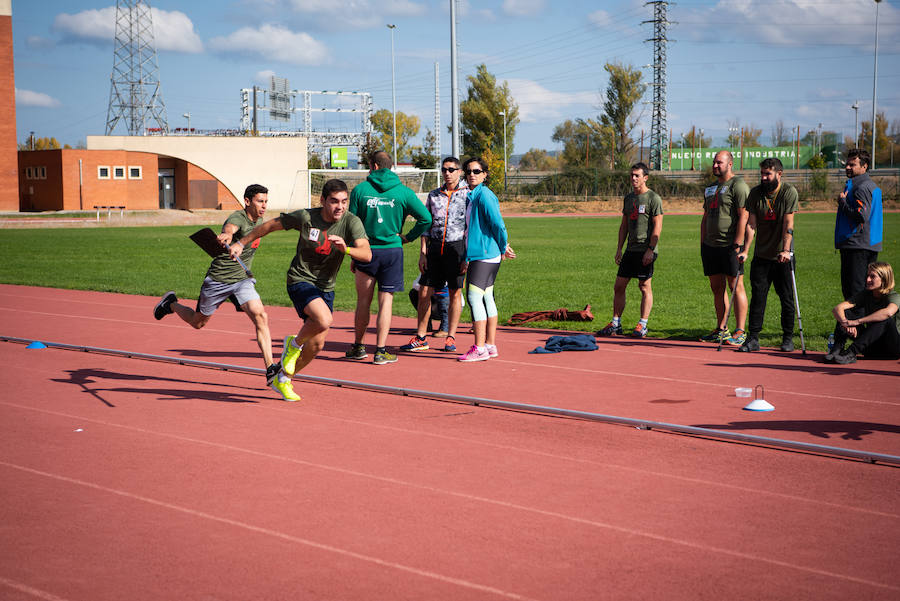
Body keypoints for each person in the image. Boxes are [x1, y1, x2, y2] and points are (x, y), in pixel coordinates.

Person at [230, 179, 371, 400]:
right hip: (300, 279)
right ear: (323, 200)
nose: (340, 207)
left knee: (317, 344)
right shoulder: (306, 217)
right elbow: (270, 225)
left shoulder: (351, 221)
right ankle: (293, 345)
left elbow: (367, 253)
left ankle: (283, 378)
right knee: (324, 320)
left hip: (326, 287)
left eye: (344, 202)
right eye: (334, 201)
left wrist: (347, 249)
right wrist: (241, 243)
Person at [153, 184, 278, 386]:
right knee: (198, 322)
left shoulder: (260, 221)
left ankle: (270, 368)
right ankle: (171, 304)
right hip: (218, 280)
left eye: (266, 202)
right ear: (247, 201)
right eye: (259, 201)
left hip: (241, 280)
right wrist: (227, 235)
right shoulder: (238, 218)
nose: (264, 206)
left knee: (260, 315)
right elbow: (230, 228)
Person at [345, 151, 432, 365]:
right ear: (390, 166)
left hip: (366, 250)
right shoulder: (403, 192)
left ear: (373, 166)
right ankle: (381, 350)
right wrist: (407, 238)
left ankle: (358, 346)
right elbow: (426, 219)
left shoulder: (360, 190)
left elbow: (351, 223)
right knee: (386, 303)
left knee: (363, 301)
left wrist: (353, 252)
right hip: (392, 251)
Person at [400, 156, 468, 354]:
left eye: (452, 169)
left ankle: (450, 336)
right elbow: (426, 225)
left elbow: (471, 226)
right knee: (424, 292)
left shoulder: (468, 195)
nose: (447, 173)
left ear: (459, 172)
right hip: (435, 249)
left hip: (457, 248)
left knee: (455, 292)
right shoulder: (434, 195)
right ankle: (421, 337)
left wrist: (467, 256)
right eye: (444, 169)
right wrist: (423, 253)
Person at [737, 158, 799, 353]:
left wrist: (786, 250)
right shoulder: (755, 193)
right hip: (762, 256)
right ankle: (753, 337)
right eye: (762, 174)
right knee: (758, 297)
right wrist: (745, 250)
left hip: (783, 256)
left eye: (768, 174)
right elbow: (751, 224)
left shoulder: (789, 192)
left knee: (787, 297)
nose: (763, 178)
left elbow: (789, 224)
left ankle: (787, 337)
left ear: (779, 174)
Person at [458, 157, 516, 362]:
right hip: (485, 254)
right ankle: (490, 345)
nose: (471, 175)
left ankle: (479, 347)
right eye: (468, 171)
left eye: (476, 171)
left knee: (474, 298)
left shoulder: (484, 196)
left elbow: (498, 224)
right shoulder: (474, 196)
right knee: (487, 297)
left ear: (485, 174)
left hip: (484, 255)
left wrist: (503, 246)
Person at [596, 162, 663, 339]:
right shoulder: (629, 199)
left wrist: (651, 249)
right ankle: (616, 324)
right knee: (619, 286)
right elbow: (624, 225)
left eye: (637, 176)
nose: (633, 178)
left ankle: (643, 324)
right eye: (632, 175)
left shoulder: (653, 198)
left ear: (645, 178)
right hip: (630, 250)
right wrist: (619, 248)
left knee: (644, 286)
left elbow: (657, 227)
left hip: (646, 249)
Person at [699, 150, 750, 346]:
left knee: (735, 286)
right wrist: (703, 242)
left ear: (730, 164)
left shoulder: (738, 185)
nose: (715, 166)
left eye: (719, 162)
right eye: (714, 162)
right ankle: (722, 329)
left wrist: (738, 244)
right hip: (711, 246)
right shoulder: (711, 188)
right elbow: (705, 217)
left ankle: (740, 330)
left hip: (730, 245)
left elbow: (743, 216)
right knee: (717, 288)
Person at [827, 262, 899, 364]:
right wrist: (846, 323)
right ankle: (836, 350)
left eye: (872, 276)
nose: (867, 279)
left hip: (892, 349)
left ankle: (851, 352)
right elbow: (838, 308)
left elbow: (888, 313)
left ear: (884, 278)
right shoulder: (866, 294)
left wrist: (857, 322)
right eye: (867, 275)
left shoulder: (894, 296)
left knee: (885, 320)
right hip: (871, 346)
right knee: (846, 313)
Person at [835, 148, 883, 301]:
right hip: (866, 243)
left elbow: (861, 216)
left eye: (852, 165)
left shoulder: (861, 187)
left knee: (854, 292)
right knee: (861, 291)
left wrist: (842, 202)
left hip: (857, 246)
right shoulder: (869, 186)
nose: (848, 167)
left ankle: (852, 324)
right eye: (847, 164)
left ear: (864, 166)